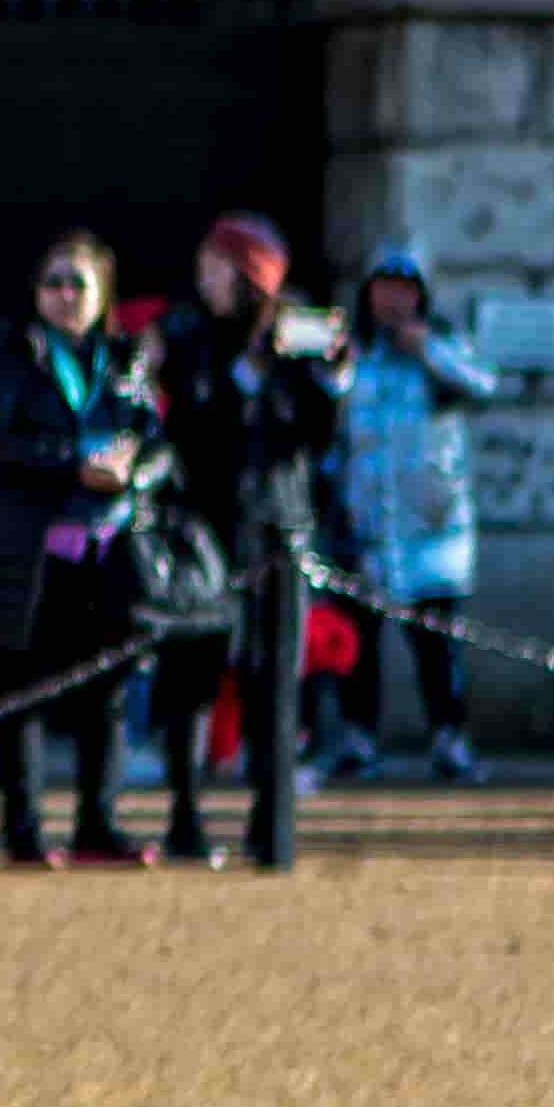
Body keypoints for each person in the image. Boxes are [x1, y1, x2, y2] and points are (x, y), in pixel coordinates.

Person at [143, 213, 334, 867]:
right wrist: (241, 373)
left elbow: (316, 433)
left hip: (277, 527)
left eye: (219, 269)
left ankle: (269, 821)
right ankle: (184, 817)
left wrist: (332, 375)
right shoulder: (189, 334)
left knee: (271, 678)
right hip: (204, 526)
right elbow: (193, 419)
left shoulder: (295, 334)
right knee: (191, 674)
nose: (206, 280)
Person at [0, 232, 150, 868]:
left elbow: (156, 439)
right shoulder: (15, 352)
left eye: (79, 284)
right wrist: (74, 465)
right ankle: (23, 830)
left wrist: (134, 469)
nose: (66, 295)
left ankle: (97, 822)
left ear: (103, 296)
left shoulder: (125, 357)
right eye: (54, 283)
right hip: (34, 545)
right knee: (26, 689)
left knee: (108, 691)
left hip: (109, 543)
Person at [324, 247, 497, 783]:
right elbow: (328, 413)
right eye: (382, 287)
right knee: (358, 644)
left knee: (437, 646)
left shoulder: (443, 346)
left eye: (404, 288)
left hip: (431, 525)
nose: (392, 298)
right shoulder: (355, 353)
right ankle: (358, 737)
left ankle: (450, 737)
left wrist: (427, 350)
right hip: (366, 522)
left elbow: (483, 384)